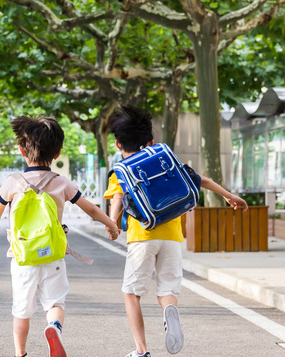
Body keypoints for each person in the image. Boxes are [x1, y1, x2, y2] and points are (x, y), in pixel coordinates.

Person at [103, 106, 248, 357]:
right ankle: (169, 310)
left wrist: (112, 223)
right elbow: (199, 179)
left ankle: (141, 350)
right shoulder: (162, 159)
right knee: (167, 290)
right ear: (150, 141)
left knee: (132, 293)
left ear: (117, 144)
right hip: (172, 236)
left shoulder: (122, 170)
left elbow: (117, 198)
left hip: (142, 236)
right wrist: (228, 195)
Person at [0, 116, 121, 357]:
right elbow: (90, 208)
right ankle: (54, 327)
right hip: (53, 255)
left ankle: (21, 353)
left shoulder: (12, 182)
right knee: (55, 303)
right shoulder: (61, 183)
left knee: (21, 310)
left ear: (21, 151)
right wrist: (111, 224)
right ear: (57, 153)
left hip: (23, 257)